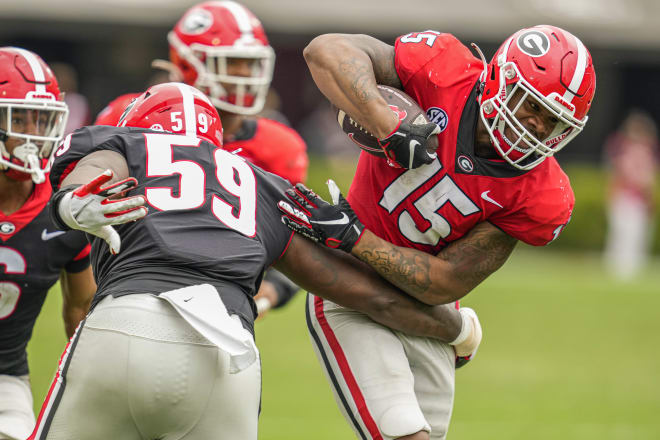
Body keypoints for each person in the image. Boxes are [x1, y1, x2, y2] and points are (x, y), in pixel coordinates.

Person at [29, 82, 480, 440]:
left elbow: (96, 169)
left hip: (126, 323)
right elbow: (368, 296)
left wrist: (70, 202)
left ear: (138, 129)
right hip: (228, 357)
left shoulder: (122, 143)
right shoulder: (261, 187)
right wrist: (454, 328)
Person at [278, 25, 597, 440]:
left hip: (423, 312)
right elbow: (324, 50)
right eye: (530, 105)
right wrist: (385, 121)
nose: (537, 126)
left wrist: (356, 237)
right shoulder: (442, 70)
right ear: (501, 80)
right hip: (348, 288)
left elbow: (443, 282)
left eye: (554, 121)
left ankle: (461, 332)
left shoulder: (542, 195)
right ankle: (463, 333)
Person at [97, 0, 309, 315]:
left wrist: (274, 288)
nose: (243, 74)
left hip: (223, 296)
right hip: (132, 280)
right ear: (187, 63)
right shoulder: (131, 115)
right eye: (232, 62)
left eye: (249, 64)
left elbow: (293, 242)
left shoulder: (279, 146)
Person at [0, 47, 95, 440]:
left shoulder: (64, 209)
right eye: (17, 117)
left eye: (41, 119)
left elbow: (81, 312)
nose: (31, 133)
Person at [603, 109, 658, 279]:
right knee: (622, 233)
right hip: (625, 196)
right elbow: (618, 174)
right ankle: (618, 268)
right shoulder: (623, 148)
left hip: (638, 198)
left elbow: (648, 179)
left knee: (636, 234)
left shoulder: (646, 150)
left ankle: (631, 268)